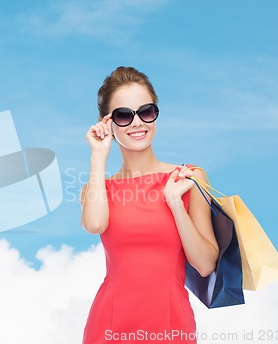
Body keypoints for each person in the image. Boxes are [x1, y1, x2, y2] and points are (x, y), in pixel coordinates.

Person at [80, 66, 219, 344]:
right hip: (108, 328)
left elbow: (205, 264)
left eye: (146, 111)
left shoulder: (188, 178)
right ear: (106, 123)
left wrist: (175, 204)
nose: (137, 123)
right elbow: (95, 225)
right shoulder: (98, 189)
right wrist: (98, 156)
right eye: (123, 115)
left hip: (171, 326)